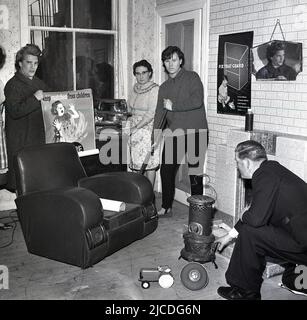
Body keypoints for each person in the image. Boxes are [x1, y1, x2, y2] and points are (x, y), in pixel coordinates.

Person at [216, 140, 307, 300]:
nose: (237, 167)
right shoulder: (272, 170)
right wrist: (229, 235)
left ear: (246, 162)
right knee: (254, 226)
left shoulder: (264, 175)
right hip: (301, 236)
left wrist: (244, 215)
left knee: (251, 233)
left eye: (237, 162)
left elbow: (254, 219)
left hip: (303, 244)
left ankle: (245, 292)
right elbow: (256, 211)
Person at [152, 46, 208, 217]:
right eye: (167, 60)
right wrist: (155, 134)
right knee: (166, 170)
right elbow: (159, 112)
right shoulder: (164, 87)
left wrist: (173, 106)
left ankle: (198, 211)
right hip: (174, 132)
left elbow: (197, 101)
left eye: (174, 60)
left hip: (195, 132)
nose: (170, 64)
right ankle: (166, 205)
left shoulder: (192, 77)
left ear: (181, 61)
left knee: (194, 172)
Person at [4, 44, 49, 191]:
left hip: (38, 139)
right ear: (20, 63)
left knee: (38, 182)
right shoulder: (12, 85)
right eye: (29, 62)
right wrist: (35, 98)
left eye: (35, 63)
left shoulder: (40, 83)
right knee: (23, 182)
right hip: (21, 141)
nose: (33, 67)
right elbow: (15, 111)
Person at [126, 59, 160, 186]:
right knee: (136, 163)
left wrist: (136, 127)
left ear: (150, 73)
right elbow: (129, 108)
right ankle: (139, 193)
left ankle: (149, 195)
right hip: (132, 127)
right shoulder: (134, 88)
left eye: (144, 73)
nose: (141, 76)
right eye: (137, 73)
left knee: (148, 163)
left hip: (147, 128)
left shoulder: (155, 89)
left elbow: (151, 113)